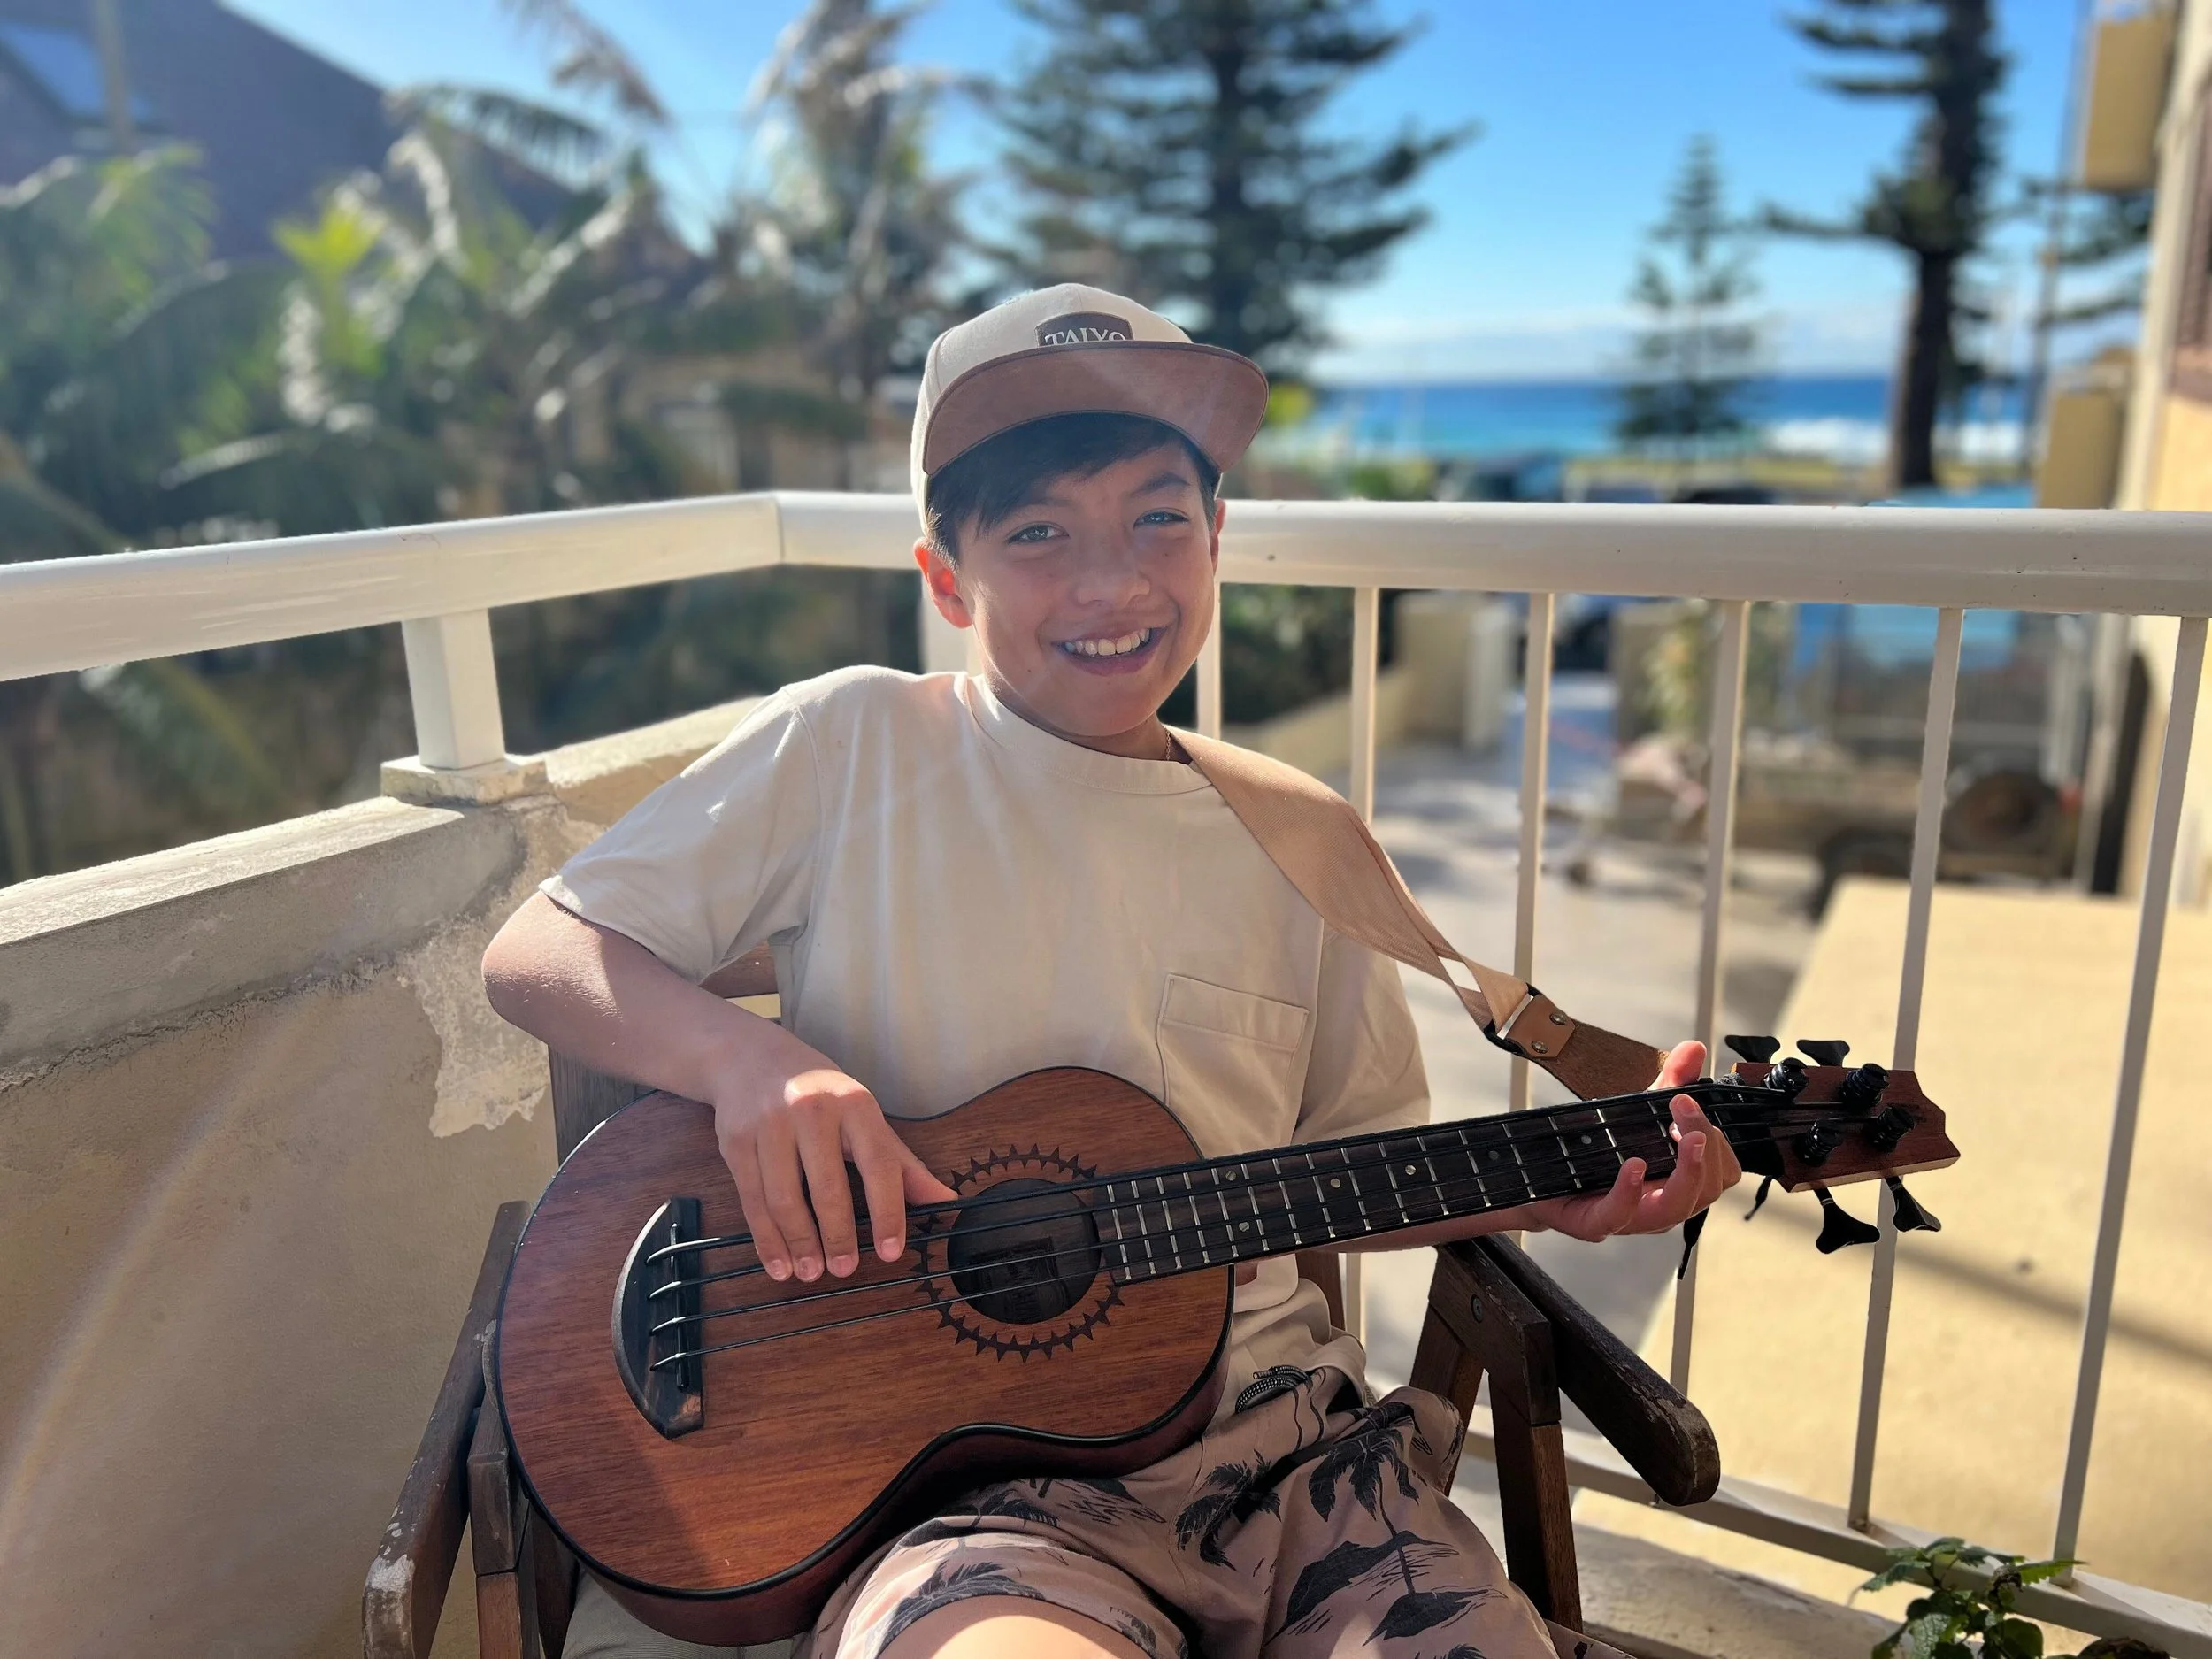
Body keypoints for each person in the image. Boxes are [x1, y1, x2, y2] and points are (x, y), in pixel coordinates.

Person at [481, 284, 1741, 1659]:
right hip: (965, 1498)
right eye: (1037, 532)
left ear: (1217, 542)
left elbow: (1360, 1162)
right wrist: (747, 1060)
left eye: (1158, 516)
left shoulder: (1301, 843)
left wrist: (1564, 1192)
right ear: (946, 576)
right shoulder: (851, 751)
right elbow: (539, 951)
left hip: (1298, 1467)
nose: (1110, 582)